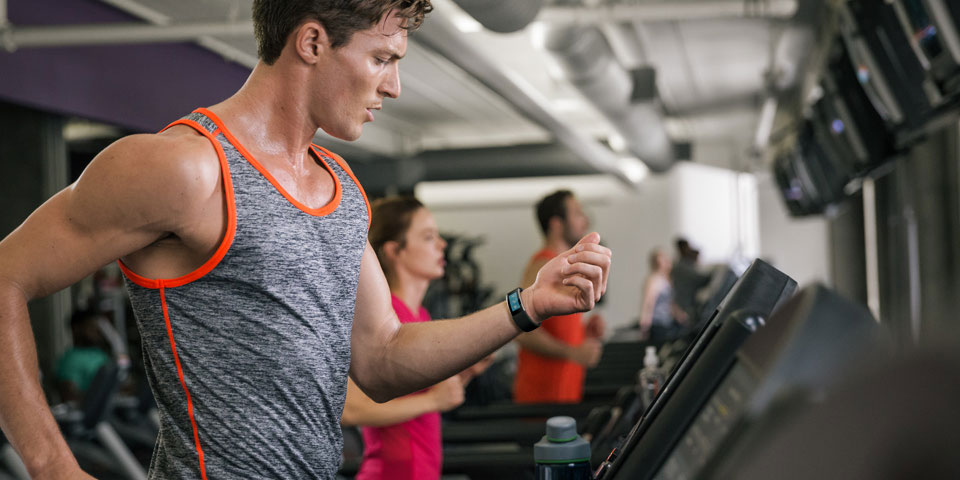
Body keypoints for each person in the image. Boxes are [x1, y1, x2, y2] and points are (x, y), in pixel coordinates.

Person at [0, 2, 612, 479]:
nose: (395, 86)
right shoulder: (187, 169)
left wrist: (526, 305)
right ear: (313, 41)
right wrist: (53, 464)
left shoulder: (341, 188)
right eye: (382, 58)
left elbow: (384, 357)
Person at [341, 196, 492, 480]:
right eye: (427, 237)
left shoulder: (419, 315)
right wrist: (434, 401)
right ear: (394, 251)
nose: (441, 244)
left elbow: (411, 388)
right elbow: (350, 409)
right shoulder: (382, 319)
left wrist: (462, 375)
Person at [513, 190, 606, 404]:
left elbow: (553, 328)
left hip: (564, 394)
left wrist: (584, 332)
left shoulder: (563, 267)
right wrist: (572, 352)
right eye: (577, 213)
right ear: (556, 224)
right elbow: (521, 331)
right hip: (542, 400)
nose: (585, 219)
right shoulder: (541, 266)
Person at [56, 310, 111, 404]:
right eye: (91, 327)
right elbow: (70, 397)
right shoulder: (71, 359)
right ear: (76, 329)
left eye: (97, 327)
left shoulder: (99, 353)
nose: (96, 331)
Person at [639, 248, 687, 344]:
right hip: (657, 324)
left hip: (666, 322)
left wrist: (680, 316)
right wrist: (644, 325)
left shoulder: (667, 280)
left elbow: (670, 303)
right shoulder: (654, 280)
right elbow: (648, 303)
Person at [671, 237, 712, 321]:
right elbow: (702, 279)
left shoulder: (680, 265)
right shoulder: (682, 266)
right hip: (685, 306)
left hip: (686, 304)